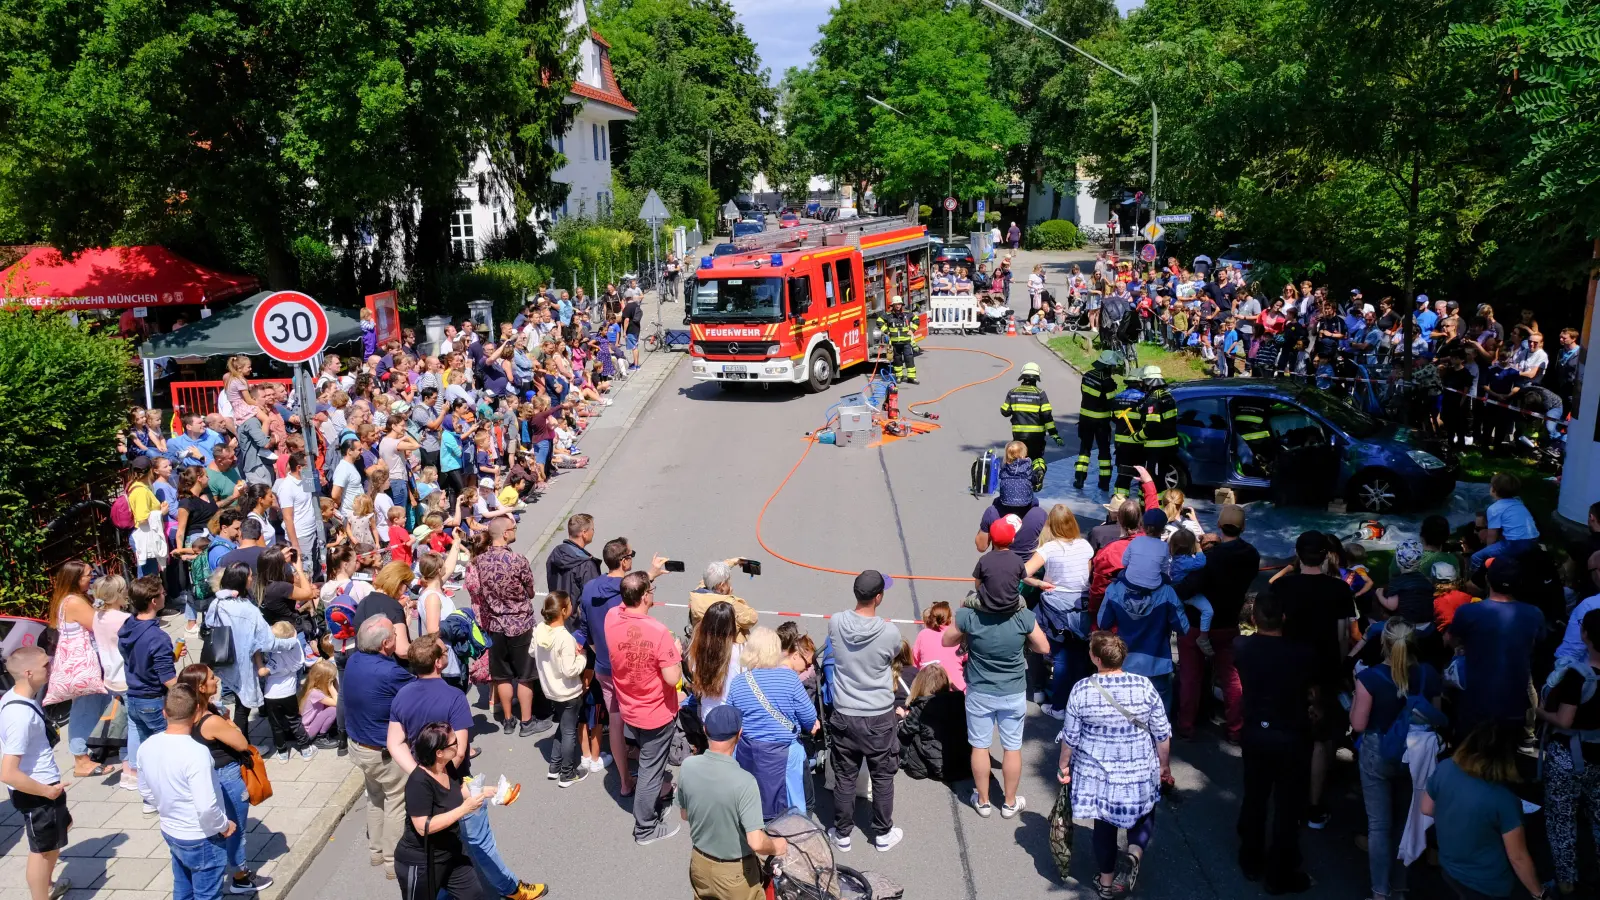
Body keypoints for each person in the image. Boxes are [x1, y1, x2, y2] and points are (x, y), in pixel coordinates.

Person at [388, 635, 542, 900]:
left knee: (440, 844)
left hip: (429, 782)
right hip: (457, 781)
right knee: (480, 841)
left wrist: (419, 772)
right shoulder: (454, 697)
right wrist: (441, 776)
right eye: (444, 651)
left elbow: (394, 742)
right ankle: (512, 889)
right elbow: (459, 752)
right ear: (438, 663)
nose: (447, 653)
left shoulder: (402, 695)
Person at [1057, 632, 1171, 899]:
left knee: (1104, 826)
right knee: (1143, 815)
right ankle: (1134, 854)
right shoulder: (1143, 685)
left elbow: (1070, 737)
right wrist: (1164, 766)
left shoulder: (1082, 689)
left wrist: (1064, 765)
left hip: (1099, 774)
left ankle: (1106, 884)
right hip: (1139, 769)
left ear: (1096, 658)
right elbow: (1161, 732)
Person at [943, 561, 1050, 819]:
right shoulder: (1023, 616)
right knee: (1011, 747)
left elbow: (947, 639)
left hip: (979, 690)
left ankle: (982, 801)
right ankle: (1010, 802)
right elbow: (1043, 648)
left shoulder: (969, 614)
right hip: (1012, 691)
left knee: (979, 746)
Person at [1350, 619, 1442, 900]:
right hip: (1417, 754)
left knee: (1379, 825)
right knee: (1406, 821)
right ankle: (1400, 887)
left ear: (1384, 644)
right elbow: (1436, 715)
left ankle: (1380, 892)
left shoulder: (1370, 678)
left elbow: (1359, 724)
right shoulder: (1428, 674)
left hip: (1379, 750)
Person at [1233, 590, 1315, 893]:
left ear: (1254, 619)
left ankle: (1250, 858)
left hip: (1256, 730)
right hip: (1291, 732)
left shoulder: (1242, 646)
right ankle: (1280, 871)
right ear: (1283, 618)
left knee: (1255, 795)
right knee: (1287, 804)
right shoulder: (1302, 653)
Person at [1275, 531, 1356, 827]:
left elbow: (1276, 627)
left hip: (1288, 667)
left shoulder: (1283, 586)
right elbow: (1343, 635)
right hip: (1324, 670)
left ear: (1298, 554)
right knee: (1321, 740)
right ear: (1325, 556)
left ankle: (1287, 797)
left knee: (1288, 731)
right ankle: (1313, 805)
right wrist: (1341, 666)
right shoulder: (1339, 590)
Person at [578, 538, 669, 793]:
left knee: (616, 723)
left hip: (604, 667)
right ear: (625, 561)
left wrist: (599, 653)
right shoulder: (626, 592)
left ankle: (625, 781)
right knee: (644, 716)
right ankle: (652, 778)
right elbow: (637, 595)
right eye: (631, 554)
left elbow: (584, 629)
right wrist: (652, 575)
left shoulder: (589, 588)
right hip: (628, 665)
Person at [825, 570, 904, 853]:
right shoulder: (889, 632)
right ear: (878, 597)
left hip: (845, 712)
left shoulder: (836, 622)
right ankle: (882, 833)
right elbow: (894, 654)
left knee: (845, 776)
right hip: (879, 715)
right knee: (882, 776)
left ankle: (842, 833)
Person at [1423, 725, 1550, 900]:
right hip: (1488, 884)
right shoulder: (1503, 799)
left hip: (1450, 870)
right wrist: (1539, 894)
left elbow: (1426, 808)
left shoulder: (1445, 768)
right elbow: (1518, 858)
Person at [605, 571, 685, 845]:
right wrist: (676, 652)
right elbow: (672, 678)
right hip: (655, 713)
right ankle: (646, 828)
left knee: (648, 762)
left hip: (629, 706)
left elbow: (625, 597)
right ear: (644, 597)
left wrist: (646, 576)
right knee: (651, 770)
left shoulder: (612, 617)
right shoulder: (658, 632)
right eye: (650, 590)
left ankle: (654, 797)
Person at [678, 705, 789, 900]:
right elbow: (756, 842)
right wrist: (777, 846)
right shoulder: (745, 782)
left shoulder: (688, 766)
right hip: (735, 875)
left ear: (705, 730)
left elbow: (685, 814)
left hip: (699, 864)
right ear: (739, 733)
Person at [178, 663, 271, 893]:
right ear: (201, 687)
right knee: (235, 827)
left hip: (208, 775)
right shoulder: (211, 720)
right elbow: (241, 743)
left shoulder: (187, 715)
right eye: (211, 678)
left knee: (221, 826)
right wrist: (229, 722)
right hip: (227, 777)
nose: (216, 680)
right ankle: (240, 876)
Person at [138, 684, 234, 900]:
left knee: (183, 889)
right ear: (196, 713)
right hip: (201, 836)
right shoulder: (197, 753)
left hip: (171, 830)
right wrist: (224, 825)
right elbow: (206, 807)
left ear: (164, 712)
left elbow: (146, 791)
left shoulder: (147, 746)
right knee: (207, 895)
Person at [394, 723, 507, 900]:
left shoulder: (447, 767)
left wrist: (487, 791)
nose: (459, 744)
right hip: (422, 862)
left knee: (474, 895)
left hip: (451, 851)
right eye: (454, 742)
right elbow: (423, 826)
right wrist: (464, 809)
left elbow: (456, 791)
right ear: (439, 752)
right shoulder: (418, 783)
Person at [466, 518, 553, 737]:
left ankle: (507, 720)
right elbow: (530, 591)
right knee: (525, 675)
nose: (515, 531)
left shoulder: (479, 562)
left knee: (502, 676)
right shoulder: (517, 560)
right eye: (512, 529)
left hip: (495, 624)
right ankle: (526, 722)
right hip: (520, 623)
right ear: (505, 534)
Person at [1, 646, 76, 900]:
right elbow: (8, 772)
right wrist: (47, 791)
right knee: (42, 851)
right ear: (29, 673)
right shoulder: (20, 715)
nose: (51, 666)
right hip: (38, 791)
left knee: (53, 841)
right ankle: (41, 894)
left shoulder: (16, 698)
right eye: (46, 664)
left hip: (43, 787)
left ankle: (47, 885)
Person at [343, 616, 415, 878]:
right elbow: (417, 693)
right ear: (386, 644)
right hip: (383, 752)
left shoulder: (353, 661)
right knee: (397, 801)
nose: (399, 638)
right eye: (396, 635)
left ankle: (375, 851)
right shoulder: (391, 672)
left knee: (375, 798)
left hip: (359, 747)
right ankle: (391, 861)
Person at [1097, 510, 1189, 712]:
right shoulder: (1167, 594)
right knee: (1159, 716)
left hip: (1126, 663)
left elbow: (1103, 621)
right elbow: (1183, 627)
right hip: (1158, 663)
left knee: (1125, 713)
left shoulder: (1115, 590)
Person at [725, 627, 817, 819]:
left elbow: (731, 720)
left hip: (748, 752)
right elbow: (809, 716)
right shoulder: (790, 679)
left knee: (752, 806)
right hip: (784, 754)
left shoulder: (739, 682)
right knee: (791, 812)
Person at [1448, 558, 1545, 732]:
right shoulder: (1535, 614)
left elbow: (1451, 640)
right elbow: (1537, 644)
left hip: (1474, 704)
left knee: (1470, 755)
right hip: (1514, 704)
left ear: (1487, 579)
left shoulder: (1467, 612)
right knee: (1505, 755)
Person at [204, 563, 300, 738]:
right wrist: (291, 642)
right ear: (241, 580)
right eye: (249, 576)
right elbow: (268, 642)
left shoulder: (217, 603)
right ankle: (244, 747)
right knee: (242, 708)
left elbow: (208, 626)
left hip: (224, 660)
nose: (252, 578)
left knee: (240, 703)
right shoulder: (249, 610)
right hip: (243, 665)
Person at [1025, 506, 1095, 717]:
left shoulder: (1049, 548)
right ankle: (1079, 705)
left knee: (1060, 657)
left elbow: (1023, 572)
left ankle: (1057, 706)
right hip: (1081, 607)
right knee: (1080, 656)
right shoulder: (1085, 545)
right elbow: (1086, 577)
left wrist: (1038, 583)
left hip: (1056, 609)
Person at [534, 591, 588, 787]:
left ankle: (554, 766)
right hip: (568, 692)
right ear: (564, 611)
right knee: (569, 732)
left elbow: (533, 651)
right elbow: (570, 669)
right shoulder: (565, 638)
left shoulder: (540, 629)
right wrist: (582, 657)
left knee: (564, 727)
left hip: (550, 690)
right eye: (571, 604)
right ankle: (567, 773)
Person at [1471, 473, 1540, 573]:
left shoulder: (1494, 509)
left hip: (1516, 543)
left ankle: (1477, 581)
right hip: (1534, 540)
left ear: (1494, 490)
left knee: (1476, 557)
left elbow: (1492, 536)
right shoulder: (1518, 503)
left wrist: (1487, 551)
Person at [1074, 352, 1118, 490]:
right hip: (1101, 423)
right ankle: (1104, 483)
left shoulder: (1087, 376)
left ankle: (1080, 479)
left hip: (1085, 420)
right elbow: (1112, 404)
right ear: (1107, 366)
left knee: (1084, 450)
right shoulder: (1108, 382)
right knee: (1104, 452)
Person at [688, 560, 760, 639]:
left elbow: (706, 579)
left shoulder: (697, 596)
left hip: (702, 646)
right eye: (728, 581)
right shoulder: (730, 604)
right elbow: (752, 618)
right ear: (721, 585)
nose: (730, 584)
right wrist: (729, 596)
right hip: (727, 648)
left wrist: (733, 561)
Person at [1136, 366, 1180, 488]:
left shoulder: (1153, 398)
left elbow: (1152, 425)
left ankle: (1154, 505)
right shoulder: (1168, 395)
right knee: (1162, 478)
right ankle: (1161, 503)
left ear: (1149, 382)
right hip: (1170, 446)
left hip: (1156, 447)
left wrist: (1137, 436)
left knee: (1153, 480)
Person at [911, 601, 966, 692]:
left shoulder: (923, 635)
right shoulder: (957, 635)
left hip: (929, 690)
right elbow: (967, 657)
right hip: (957, 691)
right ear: (949, 618)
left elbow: (914, 661)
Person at [546, 513, 602, 601]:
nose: (593, 532)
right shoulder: (586, 564)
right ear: (584, 533)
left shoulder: (555, 553)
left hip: (557, 610)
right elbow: (591, 598)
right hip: (576, 613)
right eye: (592, 529)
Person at [874, 295, 918, 384]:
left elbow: (916, 319)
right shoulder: (888, 315)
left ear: (902, 305)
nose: (898, 306)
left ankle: (911, 377)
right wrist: (886, 331)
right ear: (893, 305)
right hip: (895, 343)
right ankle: (899, 377)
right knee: (897, 360)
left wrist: (912, 330)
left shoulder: (907, 314)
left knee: (909, 359)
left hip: (906, 342)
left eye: (899, 304)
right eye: (896, 304)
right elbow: (879, 321)